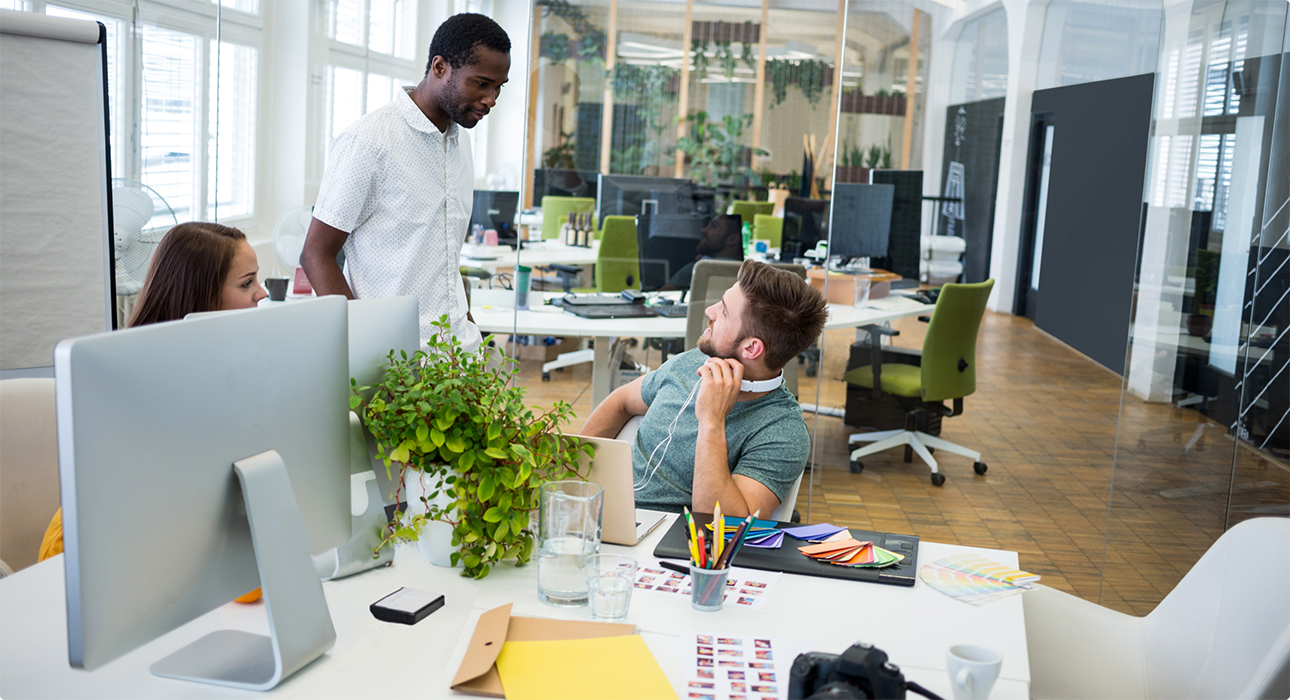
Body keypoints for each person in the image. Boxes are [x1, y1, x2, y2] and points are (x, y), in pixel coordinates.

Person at [40, 223, 267, 608]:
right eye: (247, 283)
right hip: (78, 566)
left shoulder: (220, 376)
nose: (261, 292)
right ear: (203, 298)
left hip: (156, 573)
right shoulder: (150, 393)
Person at [300, 13, 511, 352]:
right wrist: (364, 346)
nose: (492, 99)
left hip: (460, 353)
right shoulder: (368, 141)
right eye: (482, 83)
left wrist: (472, 335)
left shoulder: (461, 142)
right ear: (440, 67)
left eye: (499, 87)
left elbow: (443, 260)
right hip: (394, 361)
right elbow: (315, 254)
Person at [580, 260, 828, 517]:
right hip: (604, 514)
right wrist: (569, 475)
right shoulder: (691, 362)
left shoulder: (783, 430)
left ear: (751, 348)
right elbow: (621, 402)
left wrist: (712, 419)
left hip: (674, 542)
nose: (710, 310)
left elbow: (723, 525)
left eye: (724, 311)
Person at [662, 213, 744, 291]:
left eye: (713, 226)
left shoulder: (696, 269)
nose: (703, 230)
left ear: (733, 239)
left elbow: (661, 295)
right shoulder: (747, 273)